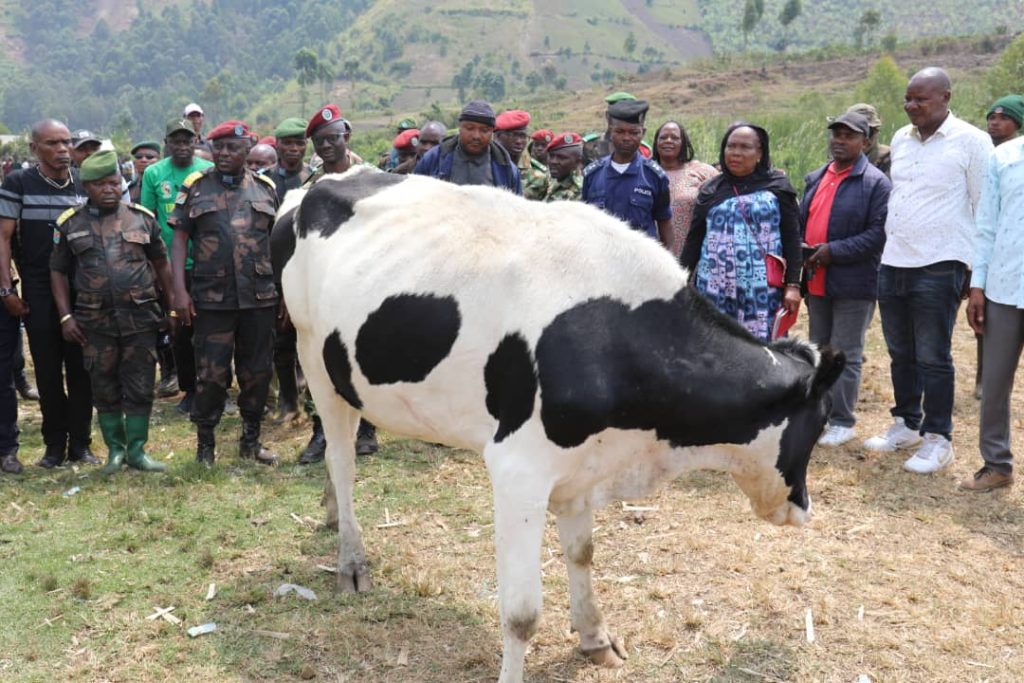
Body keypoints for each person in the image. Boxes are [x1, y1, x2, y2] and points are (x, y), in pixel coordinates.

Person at [863, 67, 993, 473]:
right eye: (908, 98)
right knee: (900, 351)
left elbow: (985, 207)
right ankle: (906, 423)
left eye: (921, 98)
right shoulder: (901, 139)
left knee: (933, 355)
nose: (911, 105)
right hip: (894, 259)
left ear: (946, 97)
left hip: (940, 263)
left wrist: (976, 275)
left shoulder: (972, 141)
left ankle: (939, 438)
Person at [50, 151, 173, 474]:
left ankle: (137, 451)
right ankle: (115, 452)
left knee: (141, 383)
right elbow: (58, 272)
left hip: (140, 318)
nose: (109, 189)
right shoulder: (70, 223)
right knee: (103, 384)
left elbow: (161, 262)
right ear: (86, 186)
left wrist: (173, 304)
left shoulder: (142, 218)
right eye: (100, 184)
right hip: (94, 321)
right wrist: (65, 316)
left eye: (114, 182)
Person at [168, 120, 281, 466]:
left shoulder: (265, 188)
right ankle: (206, 446)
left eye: (233, 147)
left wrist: (284, 295)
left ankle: (251, 440)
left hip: (259, 298)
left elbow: (276, 245)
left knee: (257, 372)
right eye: (219, 147)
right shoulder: (197, 187)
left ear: (248, 149)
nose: (225, 153)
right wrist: (179, 293)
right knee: (212, 375)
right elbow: (179, 241)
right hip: (211, 298)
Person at [0, 119, 96, 468]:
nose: (62, 150)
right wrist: (6, 289)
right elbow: (4, 237)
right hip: (38, 288)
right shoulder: (18, 183)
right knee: (48, 370)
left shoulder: (86, 183)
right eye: (52, 143)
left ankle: (81, 444)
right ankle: (54, 445)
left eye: (66, 142)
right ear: (34, 148)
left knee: (82, 369)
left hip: (83, 289)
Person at [800, 112, 891, 447]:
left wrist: (832, 251)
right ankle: (820, 414)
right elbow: (803, 219)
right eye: (836, 134)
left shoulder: (876, 184)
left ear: (865, 142)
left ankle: (843, 420)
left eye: (849, 136)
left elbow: (877, 235)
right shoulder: (817, 176)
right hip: (817, 278)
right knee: (820, 351)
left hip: (854, 281)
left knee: (846, 352)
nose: (839, 140)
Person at [295, 105, 378, 461]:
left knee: (369, 356)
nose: (326, 146)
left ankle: (369, 429)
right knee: (322, 360)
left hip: (368, 283)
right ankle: (321, 433)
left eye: (332, 139)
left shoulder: (373, 178)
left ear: (347, 136)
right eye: (319, 141)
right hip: (325, 287)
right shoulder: (311, 188)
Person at [679, 122, 802, 343]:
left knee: (760, 348)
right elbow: (694, 241)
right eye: (731, 146)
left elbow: (792, 239)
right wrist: (679, 279)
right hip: (714, 289)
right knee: (716, 346)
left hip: (762, 291)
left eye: (745, 147)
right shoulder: (710, 190)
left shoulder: (778, 187)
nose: (736, 153)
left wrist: (793, 285)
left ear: (760, 153)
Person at [962, 120, 1024, 491]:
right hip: (1004, 287)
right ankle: (997, 465)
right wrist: (977, 286)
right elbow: (985, 227)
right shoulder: (1005, 157)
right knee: (996, 381)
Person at [140, 119, 214, 414]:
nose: (182, 146)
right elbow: (146, 221)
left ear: (196, 141)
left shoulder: (207, 170)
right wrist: (154, 270)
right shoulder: (154, 173)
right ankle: (189, 389)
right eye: (176, 141)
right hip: (171, 268)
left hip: (208, 265)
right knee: (180, 330)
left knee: (210, 330)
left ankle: (214, 388)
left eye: (188, 140)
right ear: (166, 143)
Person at [971, 95, 1024, 400]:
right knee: (987, 326)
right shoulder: (987, 153)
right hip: (991, 254)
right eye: (992, 117)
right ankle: (987, 380)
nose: (995, 122)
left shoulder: (1012, 155)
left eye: (1003, 118)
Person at [581, 99, 673, 249]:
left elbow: (665, 224)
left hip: (641, 262)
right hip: (602, 261)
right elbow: (584, 223)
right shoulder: (593, 175)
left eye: (633, 132)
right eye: (620, 131)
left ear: (643, 133)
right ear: (610, 131)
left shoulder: (654, 176)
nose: (626, 138)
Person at [413, 100, 521, 194]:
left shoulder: (506, 168)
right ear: (460, 127)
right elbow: (414, 197)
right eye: (469, 128)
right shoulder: (434, 159)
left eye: (484, 130)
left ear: (492, 132)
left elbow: (515, 210)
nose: (476, 136)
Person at [652, 120, 718, 257]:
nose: (668, 141)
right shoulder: (646, 172)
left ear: (684, 143)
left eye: (675, 137)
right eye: (663, 137)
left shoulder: (702, 171)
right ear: (656, 142)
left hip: (691, 253)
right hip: (652, 253)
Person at [494, 110, 549, 200]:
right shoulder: (487, 166)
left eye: (523, 136)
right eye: (514, 136)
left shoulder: (537, 176)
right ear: (498, 137)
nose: (519, 141)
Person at [271, 117, 310, 202]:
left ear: (306, 144)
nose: (294, 148)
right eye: (287, 143)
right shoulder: (264, 179)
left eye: (300, 143)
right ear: (277, 143)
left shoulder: (314, 178)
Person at [846, 103, 890, 177]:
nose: (864, 140)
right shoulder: (840, 157)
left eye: (869, 132)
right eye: (854, 133)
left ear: (876, 131)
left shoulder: (888, 158)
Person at [543, 132, 584, 201]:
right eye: (551, 156)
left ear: (577, 163)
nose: (553, 162)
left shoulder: (579, 191)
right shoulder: (553, 181)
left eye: (561, 157)